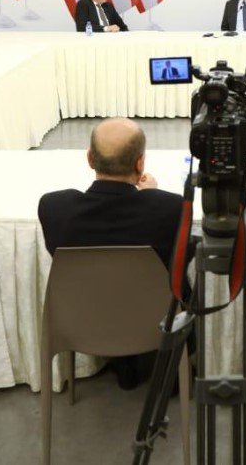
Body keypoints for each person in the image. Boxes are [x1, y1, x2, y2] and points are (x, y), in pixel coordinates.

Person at [38, 118, 183, 389]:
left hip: (82, 320)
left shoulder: (54, 207)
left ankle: (124, 366)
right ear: (140, 163)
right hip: (152, 319)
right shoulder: (169, 208)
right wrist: (151, 195)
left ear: (90, 159)